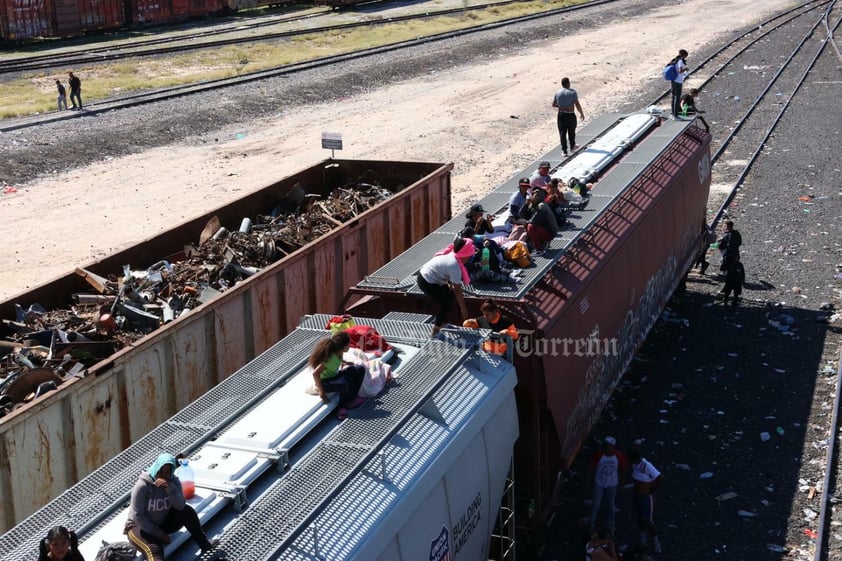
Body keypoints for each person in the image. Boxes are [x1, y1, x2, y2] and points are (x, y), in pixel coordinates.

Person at [126, 453, 217, 561]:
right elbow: (138, 516)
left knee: (187, 511)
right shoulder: (142, 486)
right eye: (161, 470)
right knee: (155, 551)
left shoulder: (173, 481)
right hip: (141, 528)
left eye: (168, 472)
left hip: (163, 523)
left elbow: (180, 506)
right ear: (156, 468)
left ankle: (205, 545)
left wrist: (170, 488)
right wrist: (159, 534)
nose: (164, 475)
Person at [416, 236, 473, 336]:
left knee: (449, 296)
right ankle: (435, 331)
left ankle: (443, 322)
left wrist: (450, 284)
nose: (468, 259)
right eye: (468, 256)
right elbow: (458, 291)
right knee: (446, 305)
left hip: (434, 278)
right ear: (463, 255)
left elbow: (447, 275)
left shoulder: (452, 255)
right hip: (426, 280)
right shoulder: (454, 266)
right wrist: (463, 309)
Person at [309, 331, 366, 415]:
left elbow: (338, 361)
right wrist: (322, 393)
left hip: (335, 376)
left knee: (359, 369)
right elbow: (315, 373)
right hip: (325, 382)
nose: (350, 346)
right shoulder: (329, 359)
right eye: (349, 344)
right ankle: (342, 405)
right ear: (344, 346)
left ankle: (353, 396)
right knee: (345, 382)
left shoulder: (339, 353)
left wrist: (345, 362)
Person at [587, 436, 626, 535]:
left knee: (611, 505)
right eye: (606, 446)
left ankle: (611, 526)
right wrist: (589, 481)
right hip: (599, 482)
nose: (608, 448)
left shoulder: (618, 456)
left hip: (612, 483)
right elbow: (591, 468)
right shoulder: (599, 455)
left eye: (610, 446)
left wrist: (622, 482)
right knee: (596, 504)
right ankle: (591, 524)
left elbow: (622, 469)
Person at [628, 448, 664, 554]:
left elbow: (661, 478)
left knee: (648, 521)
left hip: (645, 497)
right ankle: (642, 539)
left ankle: (656, 540)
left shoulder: (646, 465)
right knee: (640, 518)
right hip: (637, 496)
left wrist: (652, 489)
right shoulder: (635, 465)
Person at [552, 77, 585, 156]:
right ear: (568, 83)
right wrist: (581, 113)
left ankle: (564, 151)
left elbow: (554, 104)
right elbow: (577, 104)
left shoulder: (557, 93)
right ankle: (572, 146)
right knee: (571, 131)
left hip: (561, 115)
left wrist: (562, 107)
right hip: (570, 114)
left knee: (562, 133)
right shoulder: (572, 92)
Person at [526, 187, 559, 252]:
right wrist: (526, 205)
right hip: (544, 229)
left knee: (530, 226)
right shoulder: (535, 205)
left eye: (536, 196)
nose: (534, 197)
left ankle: (538, 249)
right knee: (526, 226)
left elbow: (534, 220)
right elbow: (523, 215)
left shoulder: (542, 206)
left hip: (550, 233)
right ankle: (538, 244)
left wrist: (525, 222)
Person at [668, 49, 689, 117]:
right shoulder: (680, 61)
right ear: (684, 55)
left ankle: (673, 113)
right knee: (677, 97)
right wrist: (685, 69)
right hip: (678, 81)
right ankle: (675, 114)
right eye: (685, 56)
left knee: (673, 97)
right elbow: (680, 71)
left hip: (673, 80)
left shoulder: (675, 60)